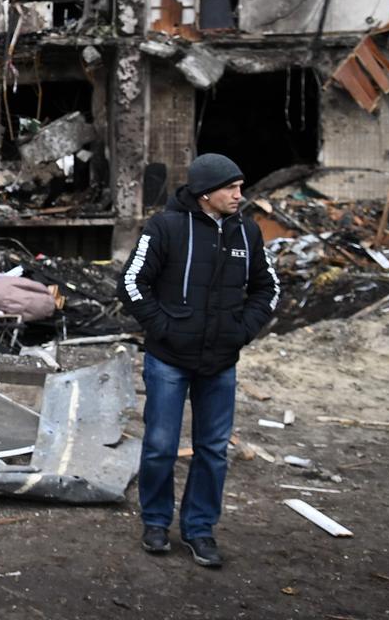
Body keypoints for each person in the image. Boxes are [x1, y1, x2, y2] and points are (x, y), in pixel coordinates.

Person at [118, 153, 279, 567]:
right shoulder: (165, 228)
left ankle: (199, 530)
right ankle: (155, 522)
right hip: (168, 359)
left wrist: (241, 330)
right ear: (206, 193)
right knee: (159, 446)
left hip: (220, 363)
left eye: (240, 187)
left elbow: (268, 289)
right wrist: (164, 328)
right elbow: (132, 283)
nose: (239, 195)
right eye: (231, 188)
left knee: (212, 450)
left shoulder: (247, 233)